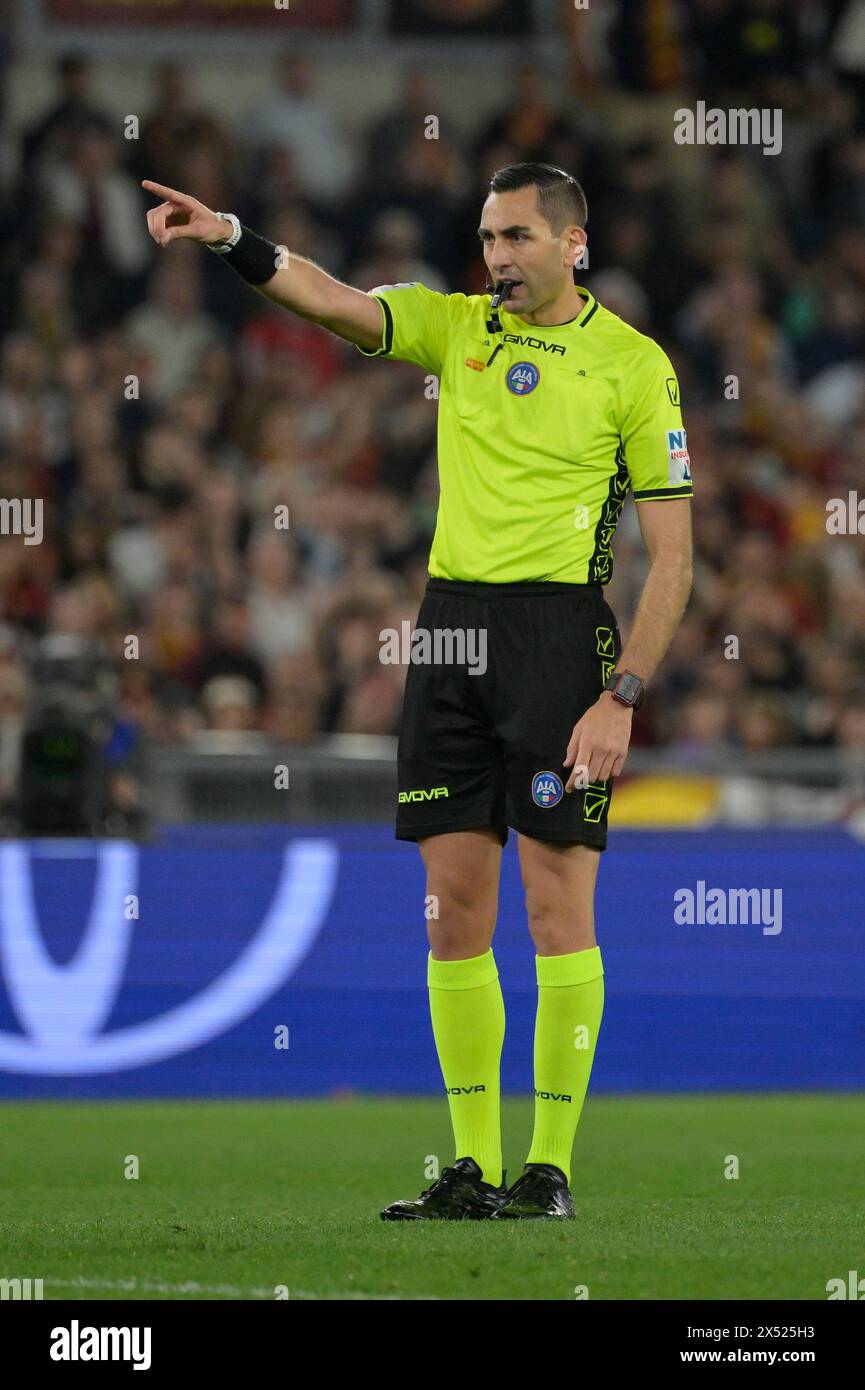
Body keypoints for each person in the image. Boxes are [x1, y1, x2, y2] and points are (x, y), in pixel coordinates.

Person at [141, 160, 693, 1221]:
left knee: (553, 907)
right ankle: (471, 1168)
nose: (497, 258)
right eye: (488, 238)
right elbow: (332, 298)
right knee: (453, 915)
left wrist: (621, 692)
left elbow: (672, 560)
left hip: (559, 639)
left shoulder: (634, 366)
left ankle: (550, 1168)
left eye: (519, 238)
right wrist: (229, 237)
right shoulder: (456, 328)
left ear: (575, 243)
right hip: (451, 634)